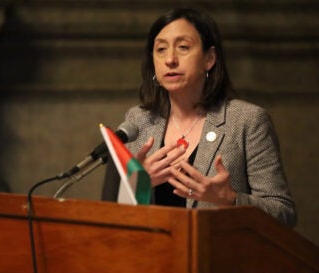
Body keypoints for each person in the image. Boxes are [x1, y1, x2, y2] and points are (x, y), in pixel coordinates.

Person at [102, 8, 296, 227]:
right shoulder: (138, 121)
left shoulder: (247, 121)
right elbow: (112, 212)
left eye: (183, 47)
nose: (170, 60)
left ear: (209, 58)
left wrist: (230, 199)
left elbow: (284, 213)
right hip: (151, 256)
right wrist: (138, 185)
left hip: (219, 257)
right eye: (161, 50)